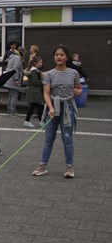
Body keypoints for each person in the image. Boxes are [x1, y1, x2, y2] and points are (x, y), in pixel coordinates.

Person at [33, 45, 82, 178]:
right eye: (56, 55)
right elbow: (46, 93)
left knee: (67, 138)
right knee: (48, 138)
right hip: (53, 109)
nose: (59, 57)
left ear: (67, 57)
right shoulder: (49, 74)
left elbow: (79, 88)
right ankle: (42, 165)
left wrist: (78, 91)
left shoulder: (74, 73)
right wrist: (51, 107)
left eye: (61, 55)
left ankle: (69, 167)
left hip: (68, 108)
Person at [23, 56, 44, 128]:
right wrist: (42, 82)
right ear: (35, 63)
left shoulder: (35, 71)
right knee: (35, 107)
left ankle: (41, 121)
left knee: (39, 107)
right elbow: (35, 82)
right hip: (35, 92)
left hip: (35, 92)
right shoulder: (34, 71)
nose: (41, 64)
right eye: (40, 62)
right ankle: (27, 121)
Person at [3, 45, 24, 116]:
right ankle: (13, 111)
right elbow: (15, 69)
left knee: (11, 95)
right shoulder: (17, 58)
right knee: (14, 95)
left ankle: (9, 110)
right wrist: (16, 80)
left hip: (9, 79)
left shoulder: (12, 57)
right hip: (13, 80)